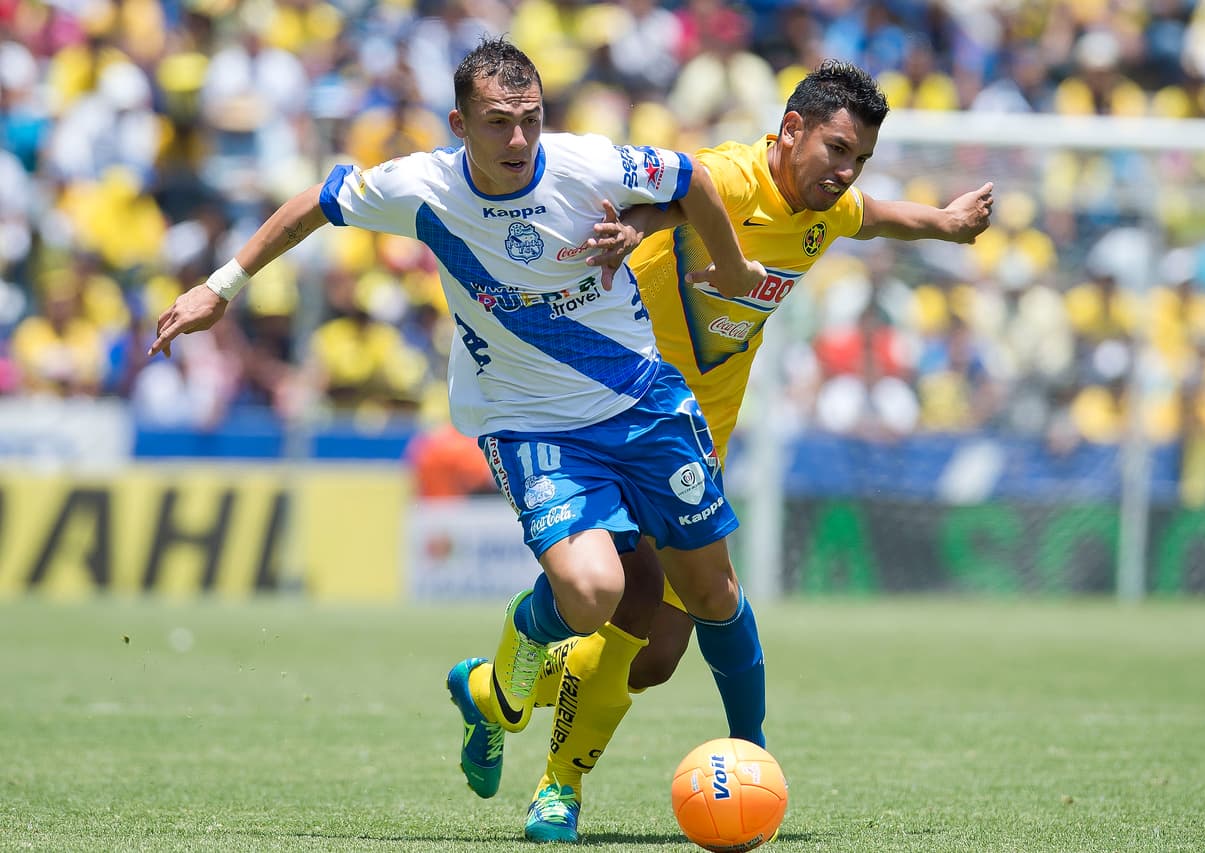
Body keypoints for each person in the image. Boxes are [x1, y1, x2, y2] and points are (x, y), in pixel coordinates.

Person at [146, 36, 770, 845]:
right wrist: (220, 286)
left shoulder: (585, 164)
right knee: (595, 595)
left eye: (531, 120)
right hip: (528, 421)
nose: (519, 141)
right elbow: (313, 204)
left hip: (644, 404)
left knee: (706, 596)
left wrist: (723, 261)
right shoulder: (421, 187)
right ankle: (555, 780)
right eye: (499, 123)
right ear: (458, 123)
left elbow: (693, 179)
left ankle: (514, 698)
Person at [455, 59, 995, 842]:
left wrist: (943, 222)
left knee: (656, 655)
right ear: (791, 132)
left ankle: (489, 689)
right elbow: (674, 195)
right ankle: (563, 788)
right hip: (609, 418)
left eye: (859, 159)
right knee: (632, 602)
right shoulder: (731, 178)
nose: (846, 173)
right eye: (837, 150)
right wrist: (636, 229)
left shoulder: (825, 211)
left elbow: (872, 216)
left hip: (695, 442)